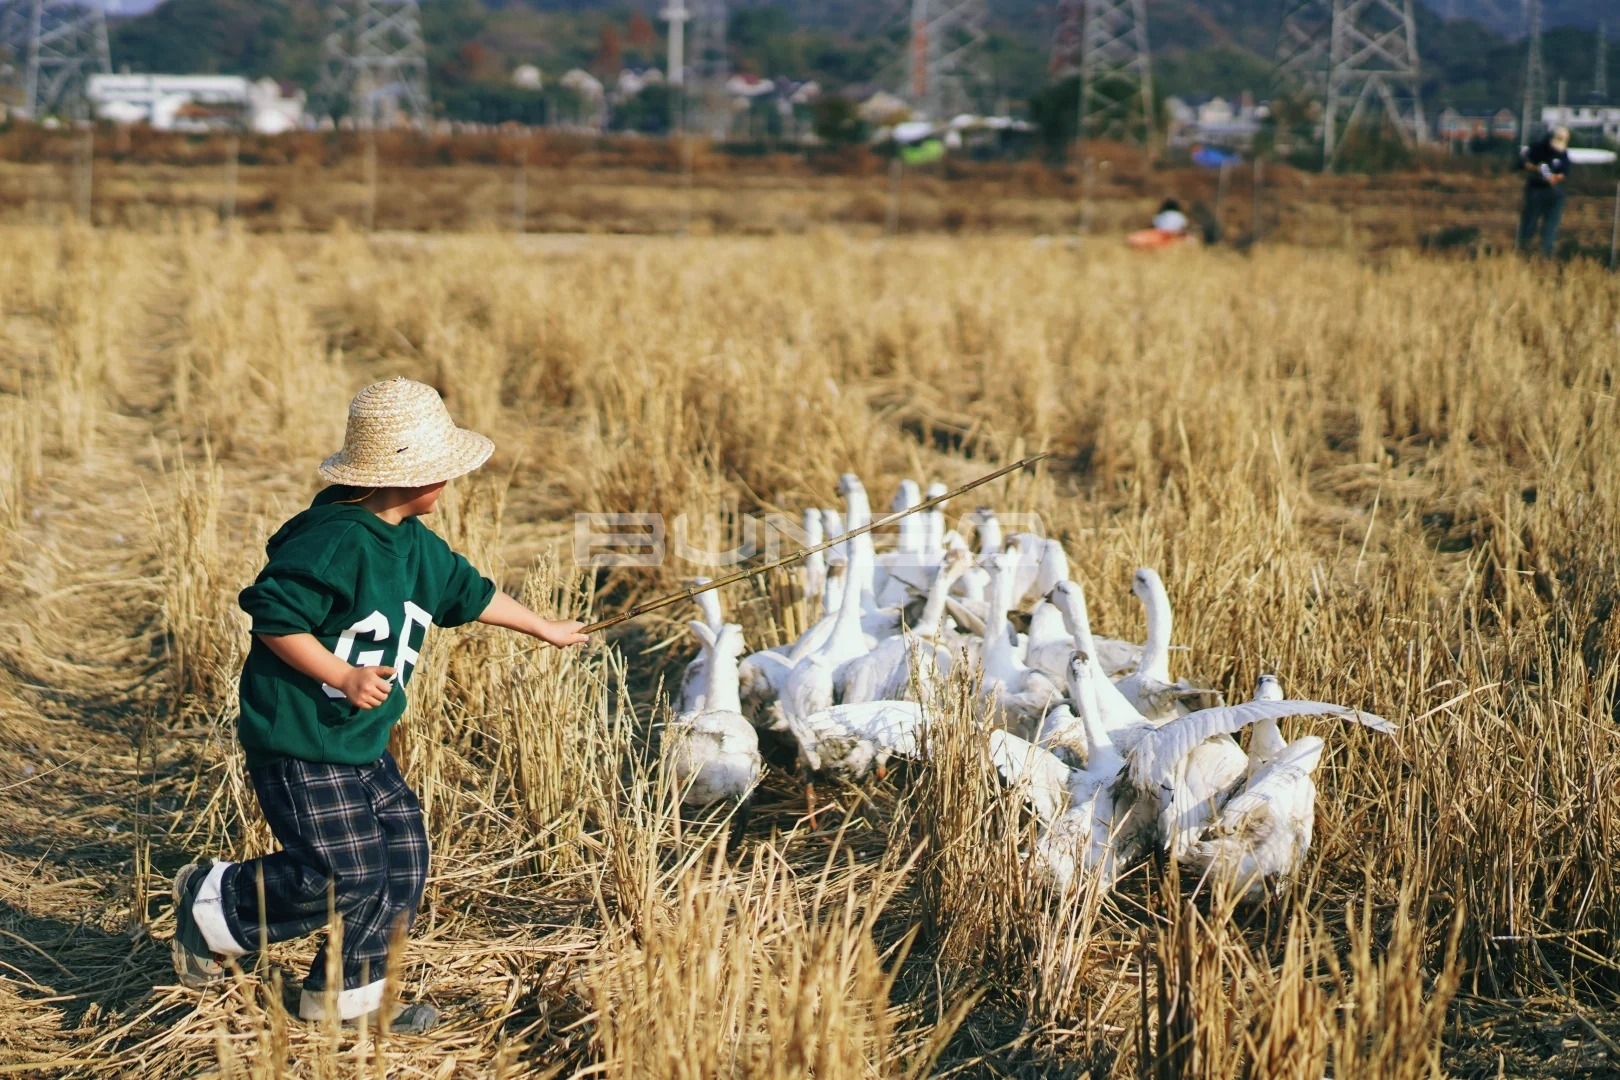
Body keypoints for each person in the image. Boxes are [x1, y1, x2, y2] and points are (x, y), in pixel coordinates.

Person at [168, 377, 588, 1033]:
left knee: (400, 861)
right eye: (442, 473)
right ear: (408, 477)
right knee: (343, 871)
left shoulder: (417, 547)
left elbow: (470, 595)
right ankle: (214, 906)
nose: (450, 485)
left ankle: (343, 1003)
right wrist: (340, 674)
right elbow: (274, 618)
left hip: (360, 742)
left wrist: (545, 628)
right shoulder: (335, 540)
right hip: (301, 739)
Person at [1517, 125, 1571, 258]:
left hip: (1554, 192)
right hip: (1536, 190)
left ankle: (1546, 254)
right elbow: (1524, 163)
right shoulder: (1537, 149)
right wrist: (1537, 169)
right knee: (1530, 223)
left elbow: (1564, 172)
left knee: (1550, 227)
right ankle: (1523, 250)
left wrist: (1555, 178)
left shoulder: (1563, 153)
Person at [1128, 198, 1193, 250]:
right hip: (1170, 236)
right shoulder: (1180, 216)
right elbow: (1183, 228)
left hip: (1160, 234)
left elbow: (1153, 226)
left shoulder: (1160, 215)